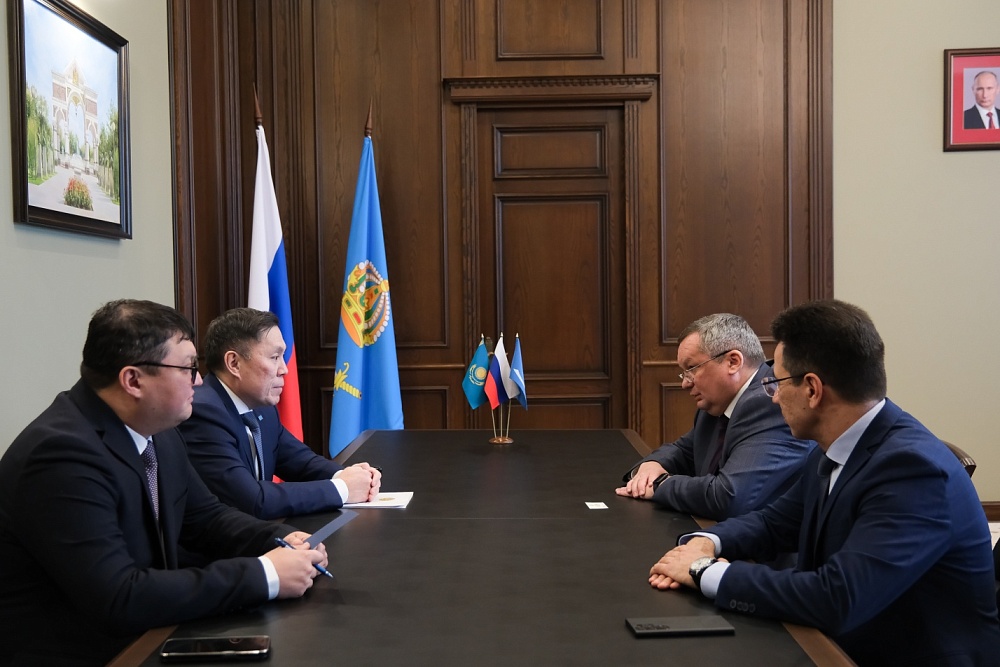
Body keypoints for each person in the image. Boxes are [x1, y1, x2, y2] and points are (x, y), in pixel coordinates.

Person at [648, 300, 1000, 665]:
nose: (773, 397)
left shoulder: (913, 471)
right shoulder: (834, 444)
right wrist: (707, 542)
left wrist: (704, 571)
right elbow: (774, 522)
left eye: (776, 383)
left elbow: (837, 597)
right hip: (844, 641)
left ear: (812, 389)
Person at [0, 300, 330, 666]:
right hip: (85, 653)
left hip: (151, 634)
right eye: (188, 368)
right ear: (133, 380)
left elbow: (206, 518)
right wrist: (265, 574)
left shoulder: (159, 430)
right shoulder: (61, 455)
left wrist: (280, 539)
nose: (199, 380)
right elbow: (119, 596)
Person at [179, 308, 380, 519]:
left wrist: (350, 476)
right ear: (234, 363)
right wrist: (343, 489)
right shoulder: (202, 413)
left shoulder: (262, 407)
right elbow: (252, 500)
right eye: (275, 357)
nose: (284, 369)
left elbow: (301, 462)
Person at [616, 313, 814, 520]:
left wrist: (658, 484)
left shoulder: (769, 403)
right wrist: (652, 465)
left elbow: (728, 497)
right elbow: (684, 451)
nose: (685, 383)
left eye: (691, 369)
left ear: (733, 362)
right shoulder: (718, 403)